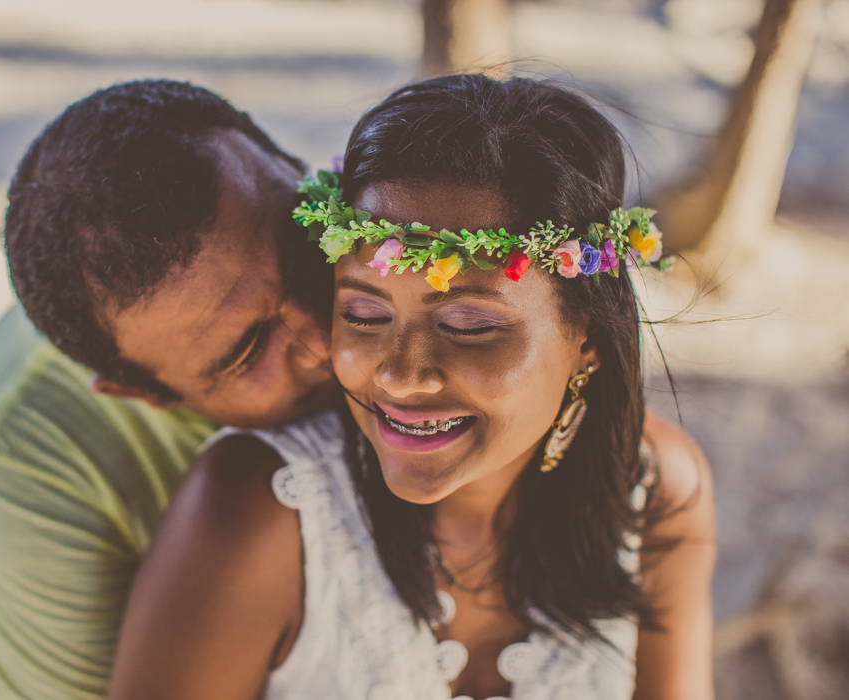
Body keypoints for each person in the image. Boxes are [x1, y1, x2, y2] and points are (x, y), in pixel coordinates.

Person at [109, 74, 717, 700]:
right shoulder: (257, 515)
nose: (400, 373)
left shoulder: (658, 493)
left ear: (586, 334)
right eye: (365, 315)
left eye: (469, 323)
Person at [0, 80, 340, 700]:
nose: (329, 341)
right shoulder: (16, 455)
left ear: (290, 165)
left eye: (305, 248)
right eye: (249, 350)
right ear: (146, 394)